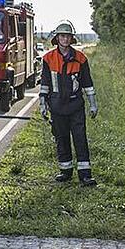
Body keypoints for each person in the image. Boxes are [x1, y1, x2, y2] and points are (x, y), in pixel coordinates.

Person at [40, 20, 98, 186]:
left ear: (72, 39)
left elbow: (87, 83)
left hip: (75, 106)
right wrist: (43, 104)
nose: (65, 39)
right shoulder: (48, 59)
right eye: (62, 36)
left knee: (80, 138)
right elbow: (44, 84)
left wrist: (93, 104)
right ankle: (65, 171)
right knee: (61, 138)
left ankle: (85, 175)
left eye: (67, 36)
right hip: (57, 105)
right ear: (57, 38)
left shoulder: (80, 59)